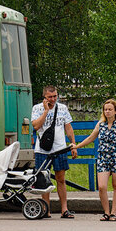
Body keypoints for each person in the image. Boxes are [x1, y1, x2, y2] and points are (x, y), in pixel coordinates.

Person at [72, 98, 116, 221]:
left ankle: (113, 212)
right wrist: (77, 146)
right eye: (105, 109)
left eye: (110, 109)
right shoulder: (100, 125)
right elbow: (90, 138)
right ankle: (106, 212)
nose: (107, 112)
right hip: (103, 158)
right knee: (102, 186)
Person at [31, 86, 78, 218]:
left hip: (60, 148)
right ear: (44, 97)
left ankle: (64, 209)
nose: (53, 99)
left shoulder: (62, 108)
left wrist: (73, 145)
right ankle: (46, 209)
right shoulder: (37, 108)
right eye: (50, 97)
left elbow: (68, 128)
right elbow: (35, 126)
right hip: (42, 149)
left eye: (55, 96)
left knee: (61, 178)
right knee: (43, 180)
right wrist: (46, 111)